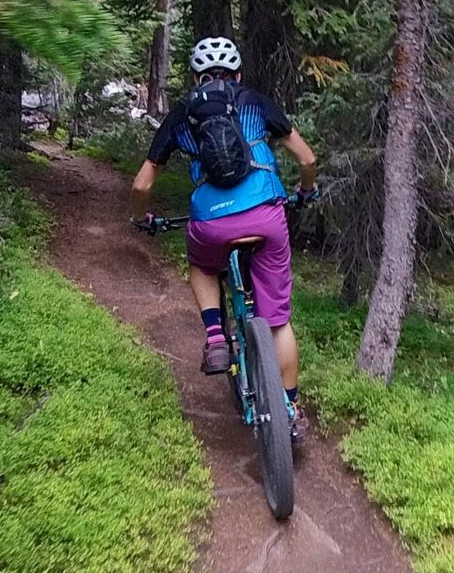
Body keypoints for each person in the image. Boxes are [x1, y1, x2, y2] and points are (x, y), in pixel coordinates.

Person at [132, 37, 318, 443]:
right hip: (265, 216)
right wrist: (305, 192)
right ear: (237, 75)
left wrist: (141, 216)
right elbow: (307, 159)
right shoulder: (255, 101)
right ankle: (290, 409)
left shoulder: (182, 115)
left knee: (201, 265)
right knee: (278, 322)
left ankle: (216, 335)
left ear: (197, 77)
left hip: (211, 224)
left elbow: (143, 183)